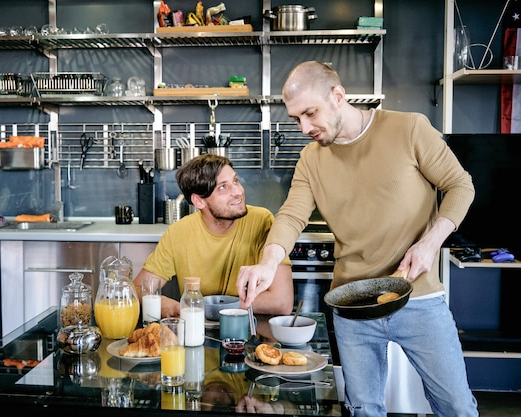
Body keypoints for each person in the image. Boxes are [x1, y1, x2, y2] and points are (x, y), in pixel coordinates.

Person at [236, 61, 479, 416]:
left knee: (456, 406)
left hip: (418, 295)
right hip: (350, 305)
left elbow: (461, 185)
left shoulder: (409, 128)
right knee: (363, 410)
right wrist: (268, 262)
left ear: (338, 96)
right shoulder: (310, 159)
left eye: (310, 113)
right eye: (295, 119)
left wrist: (431, 242)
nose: (304, 127)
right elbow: (291, 215)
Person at [133, 153, 293, 318]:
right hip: (198, 333)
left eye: (236, 181)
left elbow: (282, 302)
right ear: (199, 201)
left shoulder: (262, 220)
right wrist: (163, 303)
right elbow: (136, 289)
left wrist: (206, 307)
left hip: (251, 331)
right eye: (223, 187)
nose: (238, 191)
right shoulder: (178, 233)